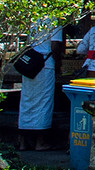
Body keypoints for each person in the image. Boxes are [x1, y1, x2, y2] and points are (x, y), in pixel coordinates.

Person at [15, 16, 65, 151]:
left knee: (27, 100)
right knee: (44, 102)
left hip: (31, 63)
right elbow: (55, 45)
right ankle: (40, 141)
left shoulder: (35, 18)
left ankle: (23, 142)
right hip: (45, 63)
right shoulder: (55, 21)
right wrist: (59, 64)